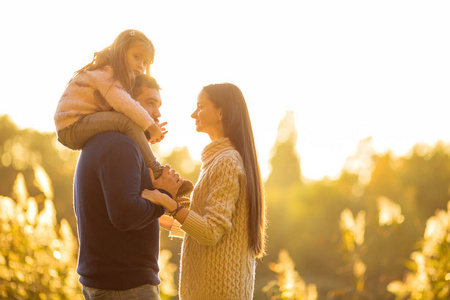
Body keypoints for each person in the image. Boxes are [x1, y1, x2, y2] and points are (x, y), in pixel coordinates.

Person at [142, 83, 267, 299]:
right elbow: (212, 229)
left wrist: (169, 203)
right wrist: (161, 215)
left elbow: (210, 233)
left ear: (221, 112)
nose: (193, 114)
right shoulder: (220, 159)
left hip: (218, 293)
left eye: (200, 106)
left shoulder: (227, 161)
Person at [73, 74, 183, 299]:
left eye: (158, 105)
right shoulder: (120, 146)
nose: (157, 113)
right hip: (124, 288)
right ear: (127, 103)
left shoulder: (109, 141)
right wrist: (164, 196)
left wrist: (177, 222)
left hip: (114, 283)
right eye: (150, 102)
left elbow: (121, 208)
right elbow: (125, 215)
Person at [54, 29, 193, 197]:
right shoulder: (107, 74)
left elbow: (119, 116)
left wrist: (145, 134)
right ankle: (156, 171)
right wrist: (149, 125)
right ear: (121, 52)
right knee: (125, 121)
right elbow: (125, 105)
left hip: (80, 123)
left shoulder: (113, 78)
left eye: (145, 62)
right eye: (136, 57)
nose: (140, 65)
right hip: (71, 125)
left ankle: (153, 178)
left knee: (125, 122)